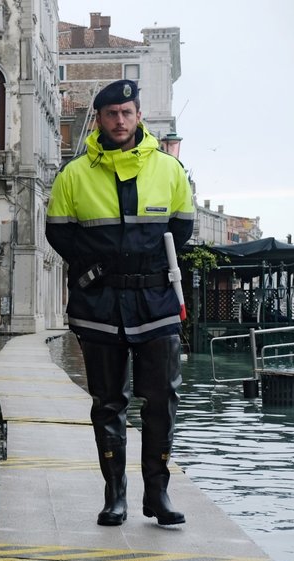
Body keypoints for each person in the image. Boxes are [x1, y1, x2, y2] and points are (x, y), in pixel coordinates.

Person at [46, 80, 194, 527]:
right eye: (112, 114)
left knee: (161, 401)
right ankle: (115, 497)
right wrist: (96, 267)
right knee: (108, 402)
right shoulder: (72, 176)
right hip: (100, 305)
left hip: (157, 303)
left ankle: (158, 494)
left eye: (127, 112)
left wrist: (145, 266)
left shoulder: (169, 170)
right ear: (100, 118)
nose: (120, 121)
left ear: (138, 116)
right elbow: (59, 232)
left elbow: (182, 229)